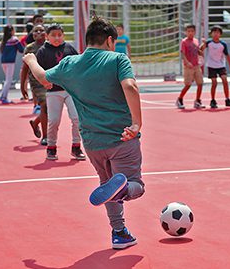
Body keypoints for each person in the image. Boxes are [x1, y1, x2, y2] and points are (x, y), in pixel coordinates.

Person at [23, 16, 144, 250]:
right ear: (110, 40)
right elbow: (130, 86)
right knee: (134, 185)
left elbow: (42, 77)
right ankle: (123, 191)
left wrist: (30, 59)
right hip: (122, 136)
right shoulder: (118, 58)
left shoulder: (70, 63)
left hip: (92, 141)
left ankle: (119, 232)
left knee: (106, 184)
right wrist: (137, 124)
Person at [35, 23, 85, 160]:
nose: (57, 38)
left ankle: (76, 146)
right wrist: (44, 82)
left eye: (59, 35)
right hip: (53, 92)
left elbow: (78, 66)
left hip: (70, 90)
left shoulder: (69, 49)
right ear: (47, 36)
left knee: (76, 118)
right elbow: (38, 71)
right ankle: (51, 147)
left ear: (63, 35)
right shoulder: (43, 51)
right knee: (54, 121)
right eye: (53, 35)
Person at [20, 24, 49, 146]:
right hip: (36, 82)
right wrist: (23, 86)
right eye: (36, 31)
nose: (38, 32)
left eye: (41, 30)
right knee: (45, 106)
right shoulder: (29, 48)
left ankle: (36, 122)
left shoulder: (50, 46)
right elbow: (25, 68)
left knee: (50, 109)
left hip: (49, 80)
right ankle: (45, 136)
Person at [203, 25, 230, 109]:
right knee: (214, 83)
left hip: (220, 65)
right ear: (211, 34)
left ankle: (227, 99)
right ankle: (213, 100)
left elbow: (227, 55)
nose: (216, 34)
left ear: (220, 34)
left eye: (218, 32)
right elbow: (200, 50)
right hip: (211, 65)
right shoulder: (209, 43)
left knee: (224, 80)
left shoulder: (223, 44)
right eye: (214, 32)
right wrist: (203, 43)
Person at [176, 24, 205, 109]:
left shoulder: (196, 41)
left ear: (195, 32)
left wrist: (203, 46)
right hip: (188, 67)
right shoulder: (184, 42)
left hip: (196, 65)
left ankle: (197, 100)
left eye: (192, 31)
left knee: (200, 83)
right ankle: (180, 99)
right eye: (188, 31)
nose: (190, 33)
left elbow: (199, 51)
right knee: (188, 84)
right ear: (186, 32)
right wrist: (187, 62)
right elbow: (183, 53)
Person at [0, 24, 24, 104]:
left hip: (3, 61)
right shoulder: (14, 39)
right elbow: (21, 49)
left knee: (7, 79)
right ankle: (3, 97)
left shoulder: (4, 40)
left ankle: (3, 96)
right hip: (10, 62)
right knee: (9, 80)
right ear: (11, 31)